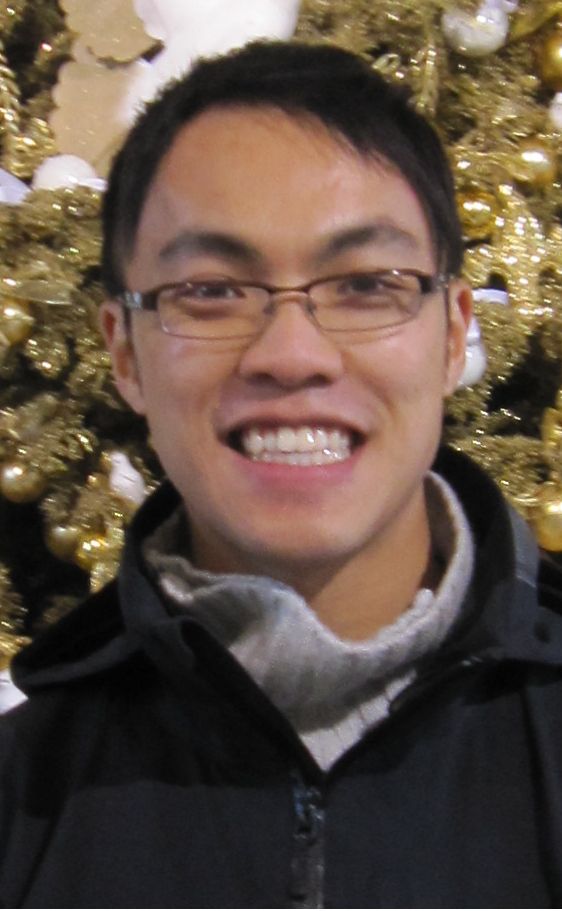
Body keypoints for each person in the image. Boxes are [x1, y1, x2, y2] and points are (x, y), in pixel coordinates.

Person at [1, 40, 562, 910]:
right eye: (211, 290)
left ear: (454, 335)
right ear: (125, 352)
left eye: (366, 285)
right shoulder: (21, 800)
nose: (292, 353)